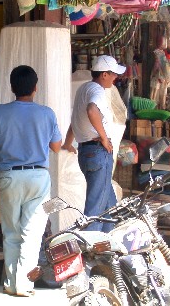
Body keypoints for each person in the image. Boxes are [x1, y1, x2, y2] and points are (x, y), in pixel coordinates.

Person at [0, 65, 62, 297]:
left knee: (11, 232)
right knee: (32, 232)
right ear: (35, 88)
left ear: (11, 87)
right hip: (38, 177)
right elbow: (56, 147)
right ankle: (23, 284)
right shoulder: (47, 113)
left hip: (9, 176)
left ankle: (10, 281)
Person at [62, 55, 126, 232]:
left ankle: (109, 241)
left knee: (110, 206)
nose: (115, 78)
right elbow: (92, 111)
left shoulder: (84, 88)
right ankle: (88, 246)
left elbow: (76, 120)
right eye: (113, 74)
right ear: (104, 74)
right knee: (95, 210)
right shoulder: (97, 90)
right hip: (98, 152)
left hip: (86, 152)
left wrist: (68, 143)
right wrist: (104, 138)